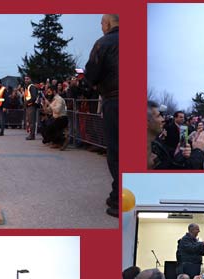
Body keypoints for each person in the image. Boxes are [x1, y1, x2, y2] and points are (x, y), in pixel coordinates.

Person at [85, 14, 119, 218]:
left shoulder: (104, 43)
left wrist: (93, 83)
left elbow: (91, 74)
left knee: (116, 151)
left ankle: (120, 196)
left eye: (101, 23)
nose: (100, 27)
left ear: (107, 23)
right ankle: (118, 192)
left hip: (115, 100)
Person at [42, 85, 70, 149]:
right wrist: (44, 104)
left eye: (49, 92)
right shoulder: (54, 99)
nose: (48, 94)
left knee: (50, 126)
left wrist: (49, 103)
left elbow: (57, 111)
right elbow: (47, 111)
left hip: (62, 118)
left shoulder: (59, 99)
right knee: (44, 125)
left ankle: (63, 140)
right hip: (56, 118)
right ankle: (56, 142)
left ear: (54, 92)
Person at [23, 75, 39, 140]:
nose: (26, 80)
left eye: (27, 79)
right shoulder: (27, 87)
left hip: (31, 106)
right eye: (25, 79)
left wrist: (27, 102)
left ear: (30, 79)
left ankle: (32, 135)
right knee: (29, 121)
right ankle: (31, 134)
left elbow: (34, 97)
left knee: (31, 121)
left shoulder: (31, 86)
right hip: (28, 106)